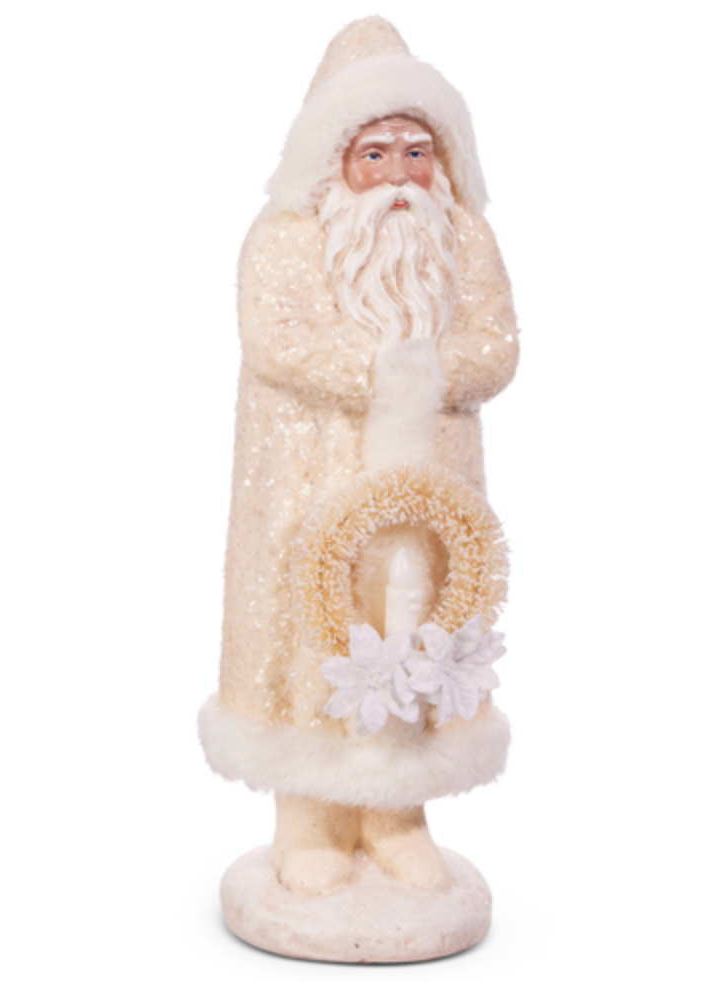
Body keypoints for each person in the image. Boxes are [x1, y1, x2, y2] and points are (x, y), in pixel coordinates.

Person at [199, 17, 519, 895]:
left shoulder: (465, 239)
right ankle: (309, 820)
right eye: (375, 154)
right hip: (312, 483)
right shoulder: (286, 238)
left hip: (431, 489)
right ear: (335, 157)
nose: (399, 175)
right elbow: (278, 343)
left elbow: (496, 347)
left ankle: (395, 815)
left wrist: (433, 373)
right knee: (313, 635)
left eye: (416, 152)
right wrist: (389, 373)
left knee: (414, 625)